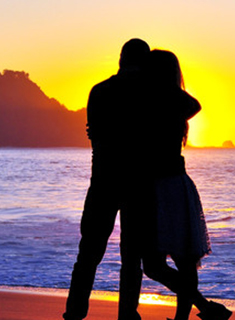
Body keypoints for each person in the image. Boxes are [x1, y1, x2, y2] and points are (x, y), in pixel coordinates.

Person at [133, 49, 231, 320]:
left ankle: (191, 315)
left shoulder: (151, 100)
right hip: (172, 185)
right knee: (175, 262)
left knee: (161, 263)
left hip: (159, 188)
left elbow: (194, 104)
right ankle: (201, 309)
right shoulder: (170, 102)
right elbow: (193, 104)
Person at [64, 38, 151, 320]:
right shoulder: (150, 92)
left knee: (88, 252)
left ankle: (75, 313)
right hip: (137, 182)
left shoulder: (99, 91)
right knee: (131, 256)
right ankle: (127, 314)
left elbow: (95, 135)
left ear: (120, 59)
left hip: (102, 178)